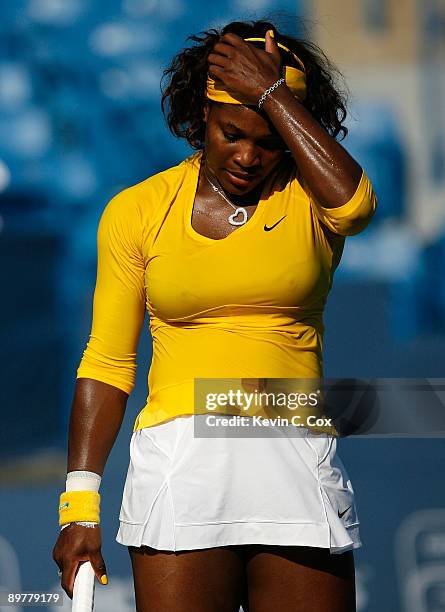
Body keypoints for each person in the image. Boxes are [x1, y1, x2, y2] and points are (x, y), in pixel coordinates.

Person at [52, 18, 377, 612]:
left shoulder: (314, 197)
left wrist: (272, 93)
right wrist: (79, 505)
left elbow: (357, 207)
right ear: (202, 116)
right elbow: (107, 362)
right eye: (232, 133)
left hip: (295, 455)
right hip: (180, 464)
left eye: (269, 138)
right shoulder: (138, 211)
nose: (249, 156)